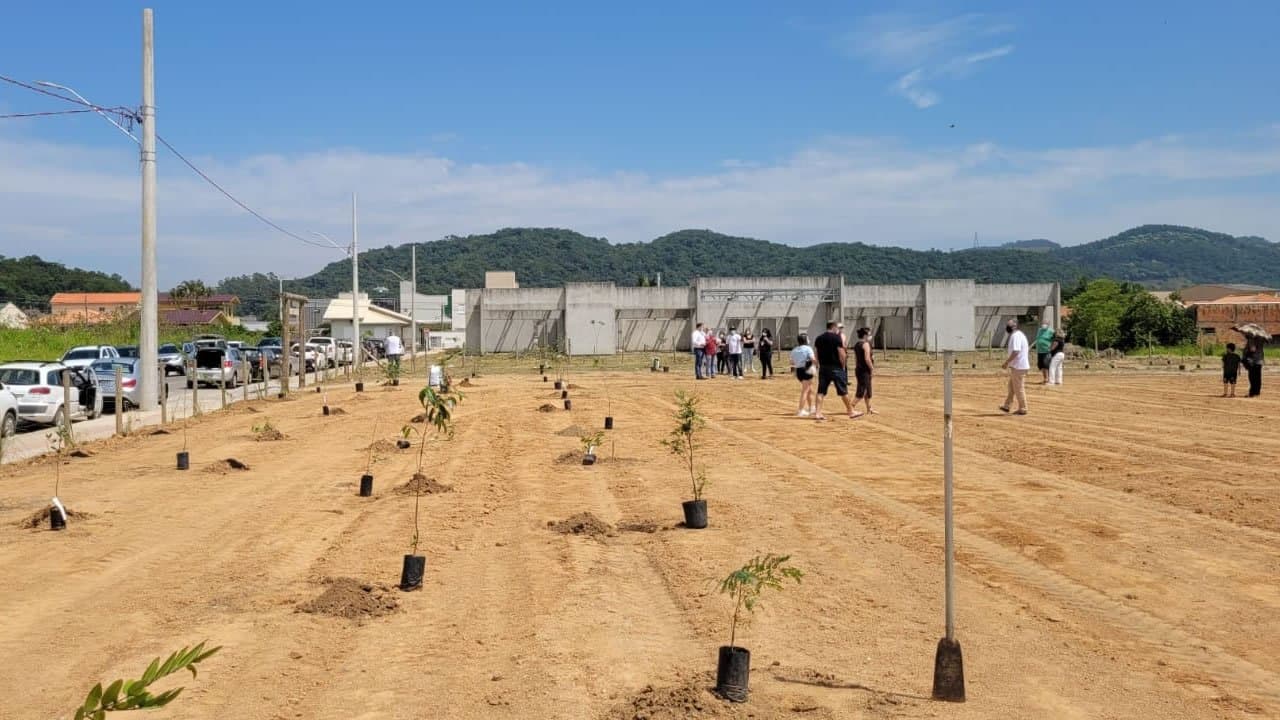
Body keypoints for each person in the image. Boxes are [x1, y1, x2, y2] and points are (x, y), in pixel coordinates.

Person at [813, 321, 860, 421]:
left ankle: (818, 413)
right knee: (843, 391)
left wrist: (817, 365)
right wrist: (843, 366)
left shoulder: (819, 338)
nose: (838, 330)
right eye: (837, 328)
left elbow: (816, 353)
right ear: (834, 327)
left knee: (821, 391)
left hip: (823, 368)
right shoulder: (836, 338)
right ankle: (851, 411)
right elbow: (841, 353)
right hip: (836, 368)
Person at [1001, 319, 1030, 415]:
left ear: (1014, 326)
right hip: (1018, 366)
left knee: (1018, 388)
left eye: (1009, 325)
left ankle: (1023, 408)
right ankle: (1007, 405)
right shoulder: (1019, 335)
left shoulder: (1015, 336)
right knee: (1012, 386)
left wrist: (1006, 362)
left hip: (1019, 367)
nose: (1007, 327)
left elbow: (1016, 351)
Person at [789, 333, 816, 416]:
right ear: (805, 340)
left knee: (809, 389)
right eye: (808, 338)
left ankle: (811, 408)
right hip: (807, 370)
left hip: (799, 371)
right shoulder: (808, 348)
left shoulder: (794, 350)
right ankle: (801, 410)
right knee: (805, 390)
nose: (809, 340)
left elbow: (792, 362)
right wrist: (817, 365)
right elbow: (813, 359)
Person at [851, 327, 876, 415]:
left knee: (868, 390)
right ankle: (851, 407)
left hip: (859, 369)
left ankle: (869, 409)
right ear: (865, 335)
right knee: (862, 390)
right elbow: (867, 359)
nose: (870, 336)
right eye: (869, 334)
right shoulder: (865, 344)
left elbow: (857, 358)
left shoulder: (857, 344)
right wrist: (872, 368)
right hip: (864, 370)